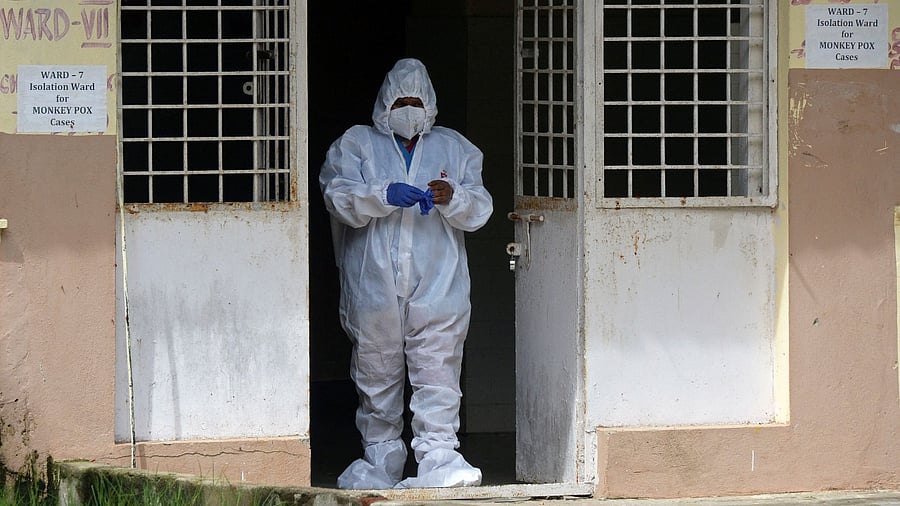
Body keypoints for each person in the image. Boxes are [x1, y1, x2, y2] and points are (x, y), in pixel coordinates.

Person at [319, 58, 493, 489]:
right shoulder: (356, 144)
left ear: (430, 104)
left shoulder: (455, 147)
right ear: (384, 103)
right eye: (401, 100)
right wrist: (383, 193)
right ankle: (379, 460)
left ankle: (440, 458)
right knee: (376, 370)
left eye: (416, 101)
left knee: (438, 367)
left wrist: (452, 196)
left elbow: (480, 208)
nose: (409, 109)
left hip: (438, 281)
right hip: (373, 282)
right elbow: (337, 196)